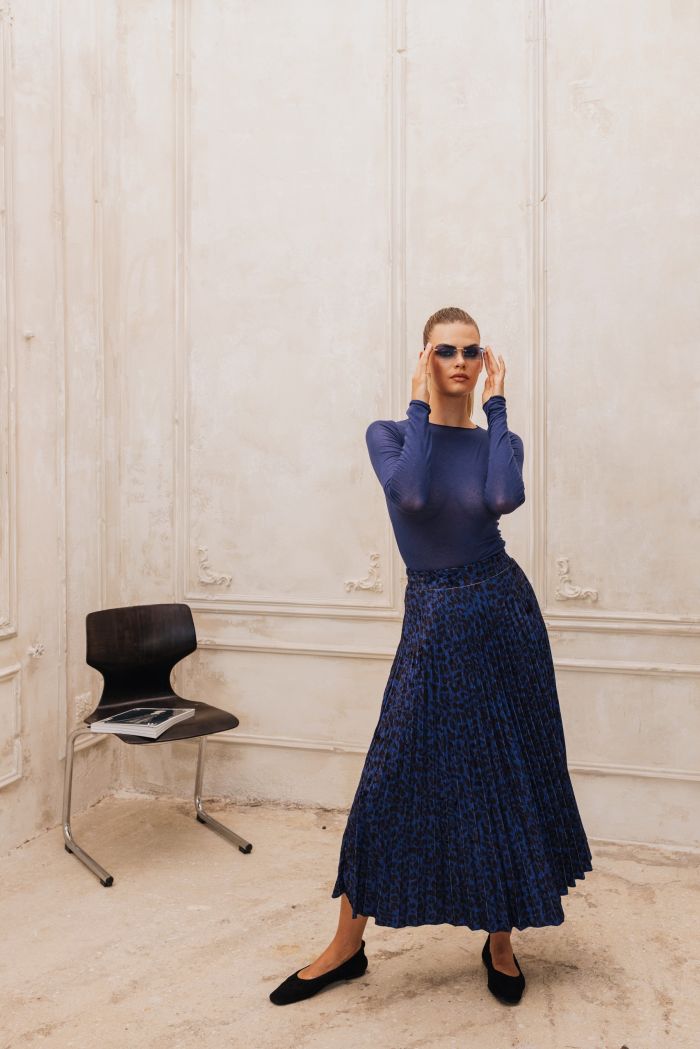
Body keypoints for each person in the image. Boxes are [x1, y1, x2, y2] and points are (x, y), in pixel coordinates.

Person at [269, 306, 593, 1007]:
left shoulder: (499, 440)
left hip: (503, 614)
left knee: (504, 776)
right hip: (435, 617)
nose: (460, 362)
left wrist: (497, 408)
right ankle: (346, 945)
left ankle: (499, 941)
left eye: (472, 351)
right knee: (390, 777)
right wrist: (420, 402)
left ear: (485, 361)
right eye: (445, 351)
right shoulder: (389, 434)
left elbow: (504, 496)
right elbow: (412, 495)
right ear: (424, 358)